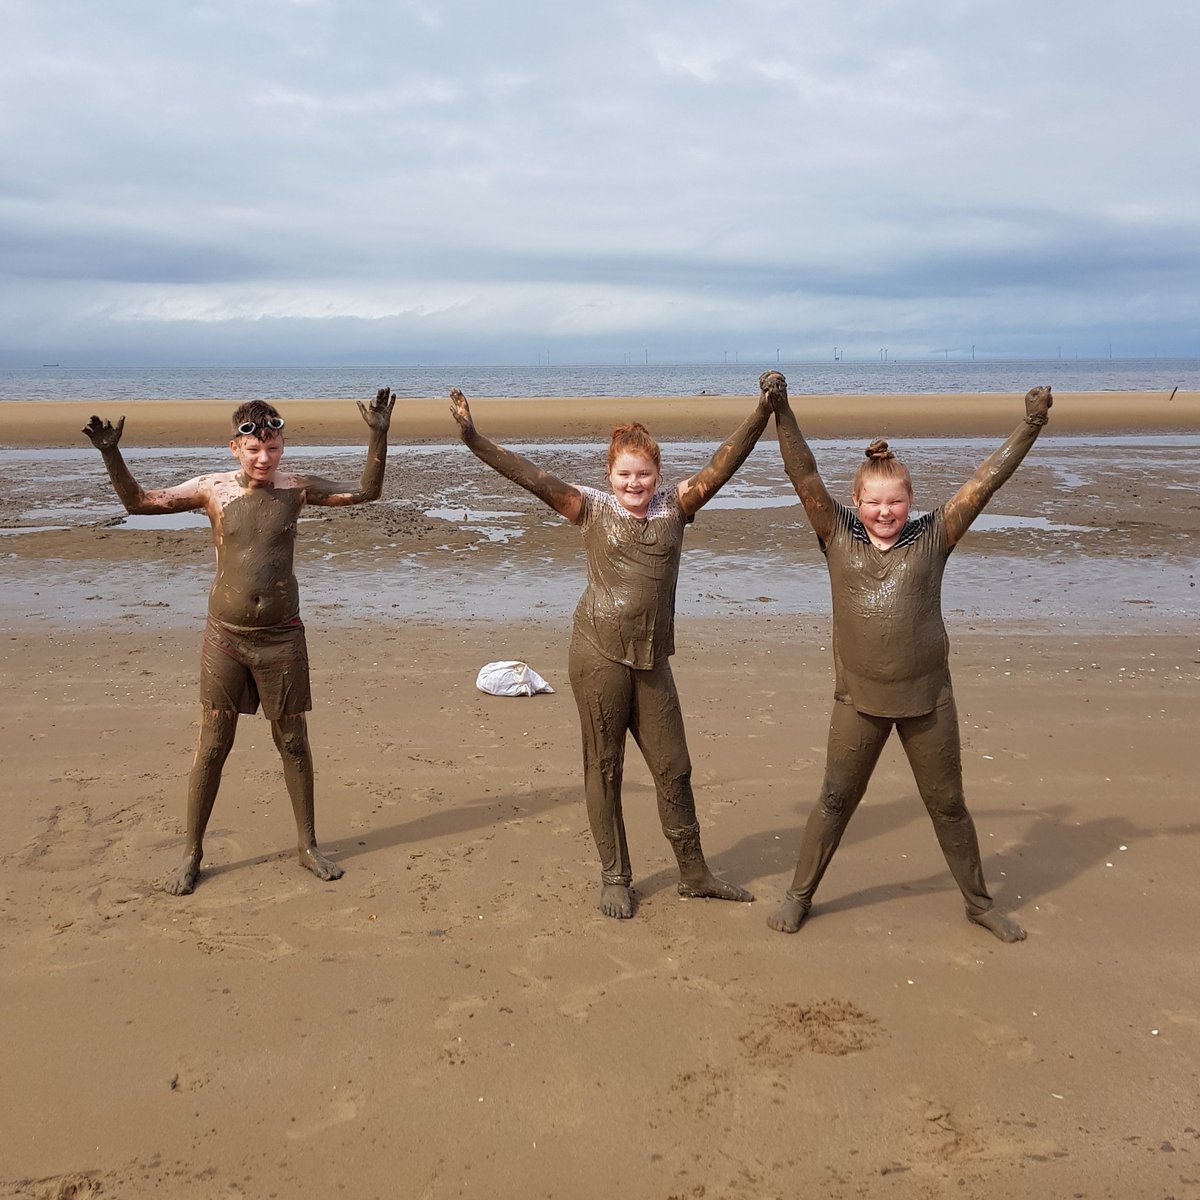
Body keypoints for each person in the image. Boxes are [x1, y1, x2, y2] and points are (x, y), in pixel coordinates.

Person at [450, 384, 772, 919]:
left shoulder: (677, 506)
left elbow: (723, 463)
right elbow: (532, 477)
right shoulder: (590, 507)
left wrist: (762, 411)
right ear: (610, 476)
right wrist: (473, 439)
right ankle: (615, 877)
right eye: (624, 474)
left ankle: (693, 873)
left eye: (643, 473)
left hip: (652, 660)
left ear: (657, 474)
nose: (634, 483)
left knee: (675, 767)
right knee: (604, 768)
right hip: (597, 654)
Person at [761, 370, 1052, 942]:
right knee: (836, 799)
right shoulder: (834, 534)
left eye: (895, 502)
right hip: (858, 702)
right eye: (874, 502)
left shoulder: (934, 536)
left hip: (927, 702)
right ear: (857, 502)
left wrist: (1031, 424)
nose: (885, 512)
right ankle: (798, 895)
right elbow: (804, 474)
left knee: (948, 807)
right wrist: (782, 410)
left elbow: (983, 482)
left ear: (910, 502)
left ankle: (978, 903)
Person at [83, 389, 395, 895]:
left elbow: (366, 492)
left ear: (282, 448)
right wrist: (110, 453)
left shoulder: (296, 489)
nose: (264, 458)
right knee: (212, 746)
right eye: (254, 449)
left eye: (273, 448)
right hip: (225, 638)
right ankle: (192, 853)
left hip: (282, 638)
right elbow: (139, 503)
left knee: (292, 741)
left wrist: (378, 434)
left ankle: (307, 845)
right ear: (235, 448)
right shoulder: (213, 490)